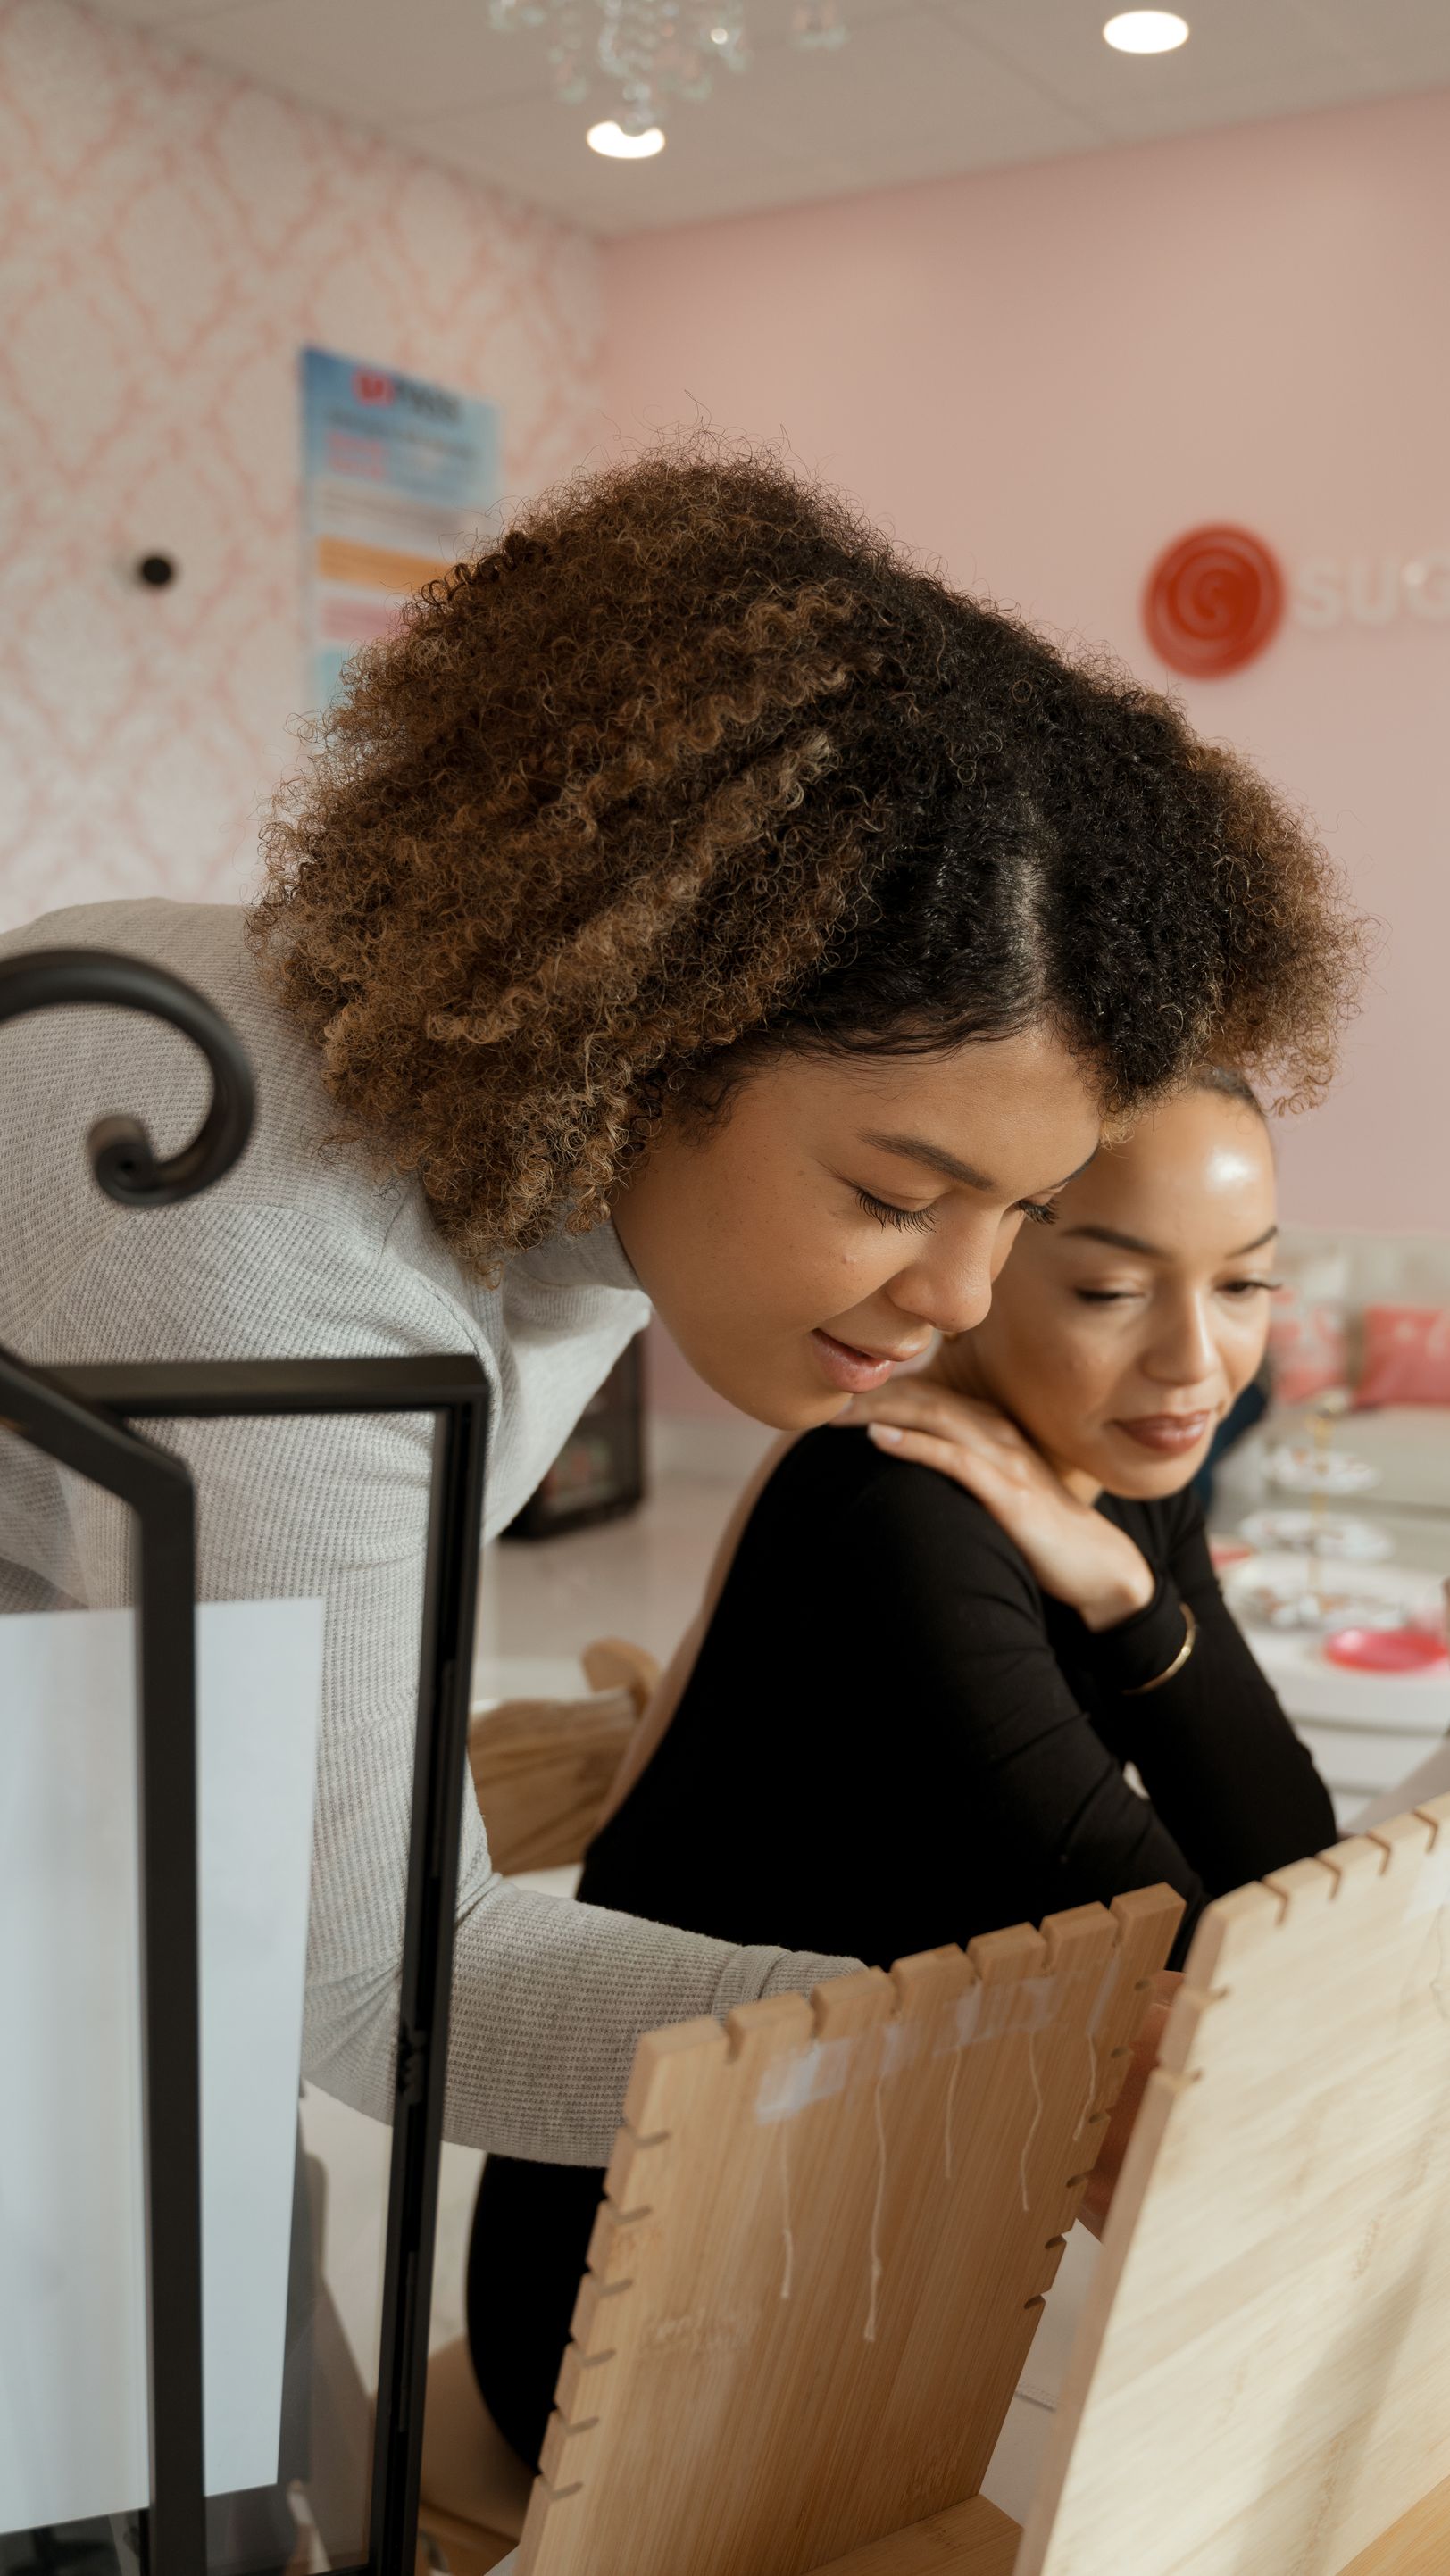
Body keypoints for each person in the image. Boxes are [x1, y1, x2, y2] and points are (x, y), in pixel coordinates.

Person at [0, 442, 1356, 2182]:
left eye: (1019, 1212)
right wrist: (993, 2064)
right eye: (890, 1196)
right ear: (646, 1025)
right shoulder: (280, 1267)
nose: (955, 1297)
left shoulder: (534, 1148)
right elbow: (356, 1983)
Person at [466, 1066, 1336, 2460]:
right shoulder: (897, 1519)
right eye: (1113, 1292)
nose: (1193, 1362)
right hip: (643, 2309)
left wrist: (1128, 1592)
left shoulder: (1104, 1468)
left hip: (867, 2215)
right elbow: (1218, 1973)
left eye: (1245, 1287)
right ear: (990, 1261)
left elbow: (1292, 1865)